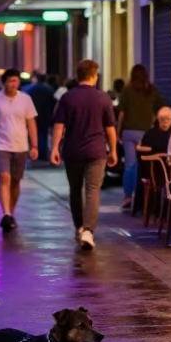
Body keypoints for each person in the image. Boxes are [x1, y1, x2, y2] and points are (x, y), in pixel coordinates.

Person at [50, 59, 118, 251]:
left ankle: (79, 226)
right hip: (97, 151)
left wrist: (55, 147)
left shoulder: (67, 98)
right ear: (94, 76)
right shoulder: (103, 98)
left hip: (72, 151)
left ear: (78, 76)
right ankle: (88, 230)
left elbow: (59, 125)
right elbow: (110, 128)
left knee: (75, 189)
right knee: (92, 190)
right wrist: (112, 150)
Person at [0, 68, 39, 233]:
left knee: (15, 181)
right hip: (0, 146)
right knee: (4, 177)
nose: (13, 85)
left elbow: (32, 123)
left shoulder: (26, 99)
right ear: (4, 82)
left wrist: (34, 145)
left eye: (15, 81)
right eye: (9, 81)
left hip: (20, 146)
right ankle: (6, 213)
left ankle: (10, 212)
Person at [116, 64, 164, 210]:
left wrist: (118, 132)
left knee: (130, 165)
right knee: (146, 165)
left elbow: (121, 114)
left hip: (129, 132)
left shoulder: (126, 90)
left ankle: (128, 196)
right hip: (146, 133)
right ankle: (142, 196)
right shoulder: (151, 90)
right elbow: (161, 108)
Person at [25, 71, 57, 163]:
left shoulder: (30, 89)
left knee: (33, 134)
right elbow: (53, 102)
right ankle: (42, 154)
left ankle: (35, 152)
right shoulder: (49, 89)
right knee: (43, 134)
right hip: (46, 115)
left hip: (33, 115)